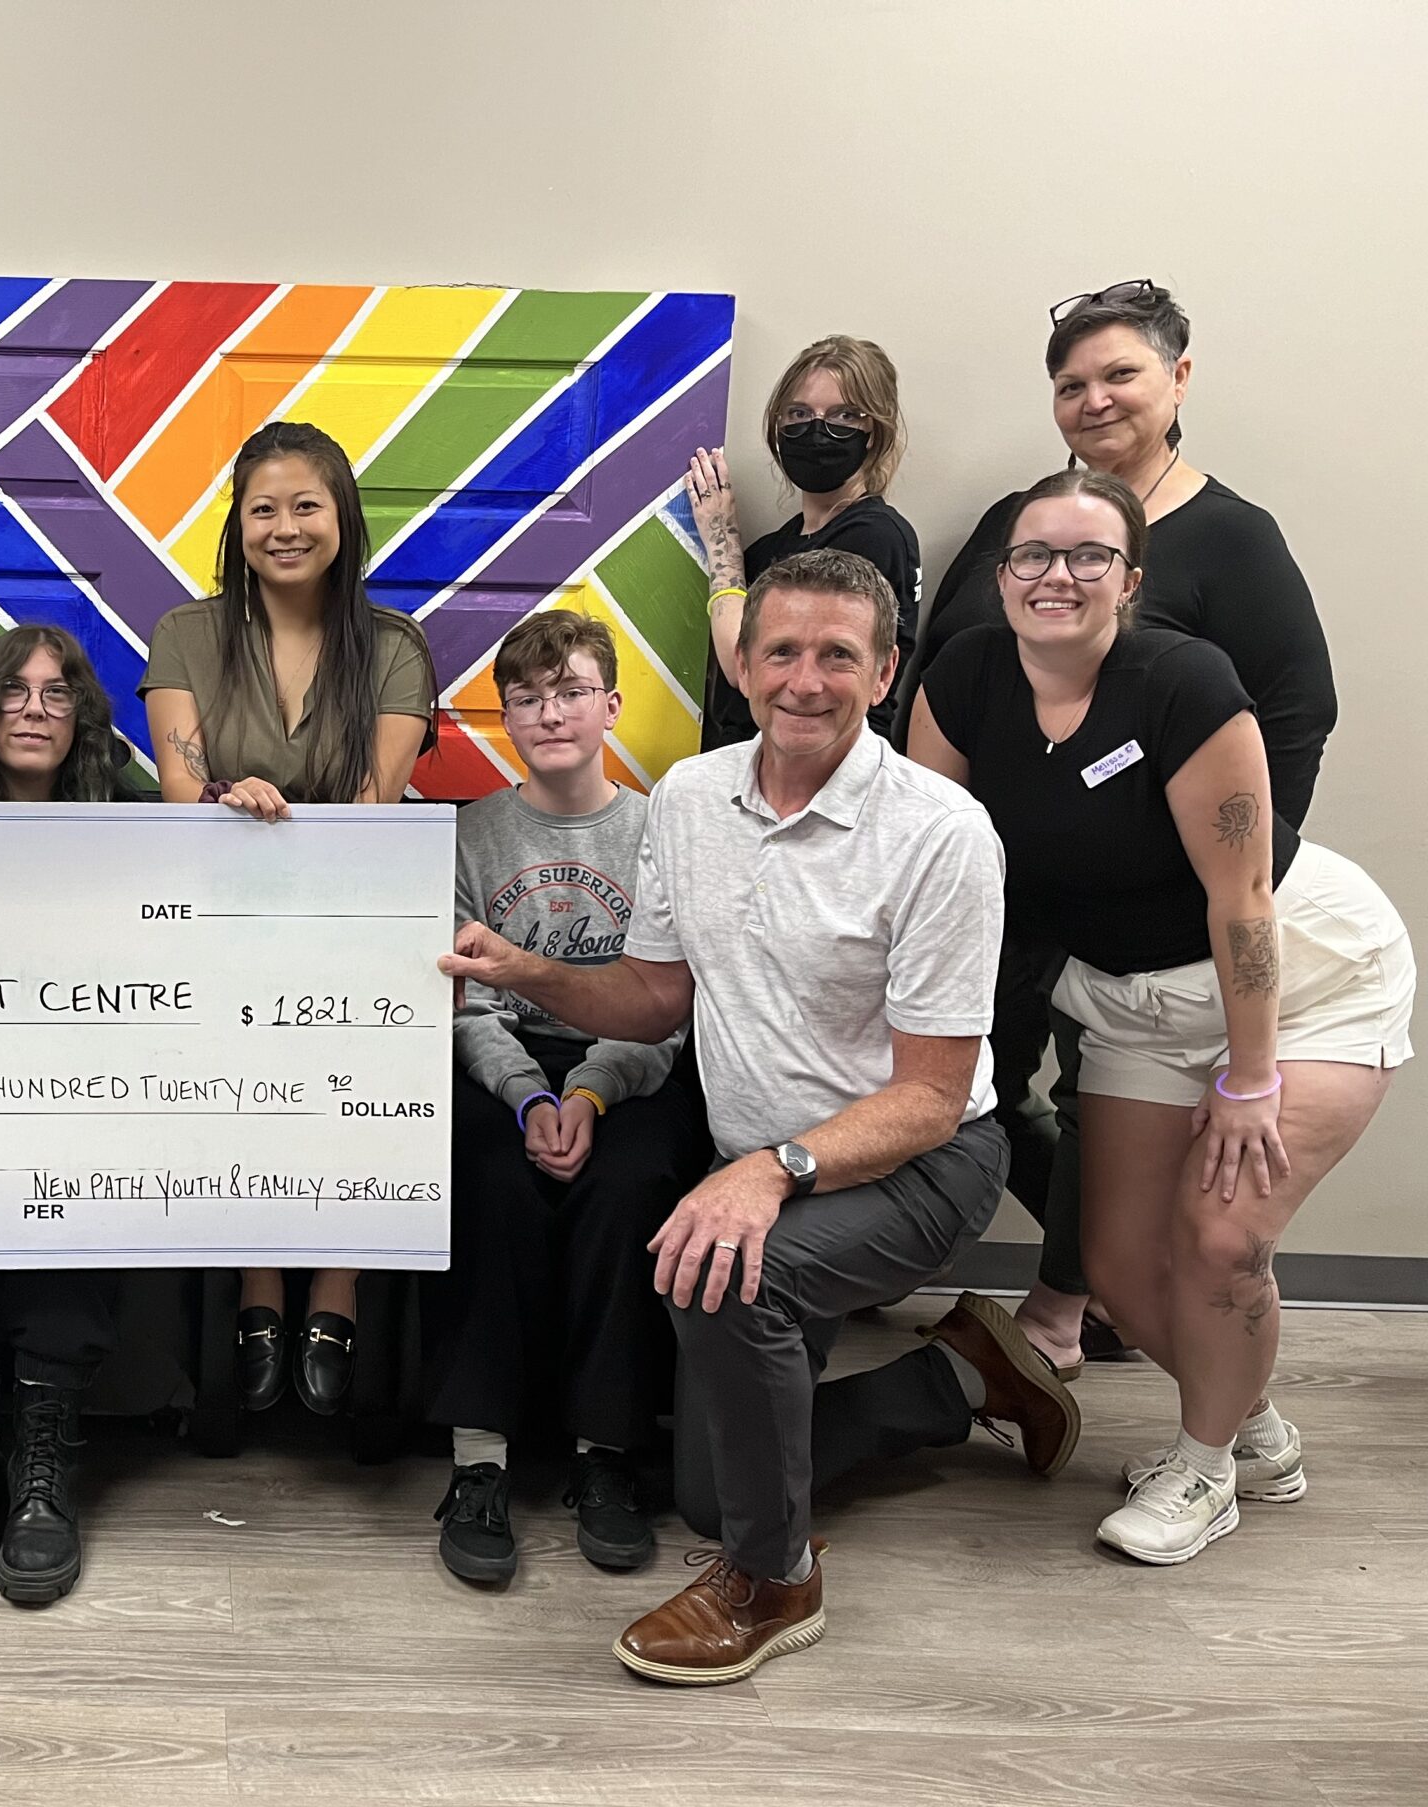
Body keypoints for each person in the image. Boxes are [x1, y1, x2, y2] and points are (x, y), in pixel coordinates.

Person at [442, 548, 1079, 1685]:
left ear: (884, 672)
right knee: (696, 1483)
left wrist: (769, 1172)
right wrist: (526, 969)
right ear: (741, 664)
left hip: (916, 1164)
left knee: (733, 1275)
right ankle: (965, 1375)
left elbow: (933, 1097)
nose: (805, 679)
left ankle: (774, 1582)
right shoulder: (689, 799)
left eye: (839, 655)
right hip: (769, 1164)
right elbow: (650, 997)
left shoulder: (940, 834)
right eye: (780, 649)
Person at [911, 470, 1411, 1563]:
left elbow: (1242, 901)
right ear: (1001, 575)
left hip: (1298, 981)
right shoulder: (963, 678)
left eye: (1089, 556)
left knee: (1222, 1241)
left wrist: (1247, 1078)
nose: (1058, 575)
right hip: (1130, 997)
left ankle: (1203, 1471)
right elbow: (925, 853)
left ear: (1128, 580)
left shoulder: (1182, 682)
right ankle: (1252, 1429)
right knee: (1120, 1273)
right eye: (1033, 554)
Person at [906, 282, 1339, 1377]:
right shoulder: (1028, 518)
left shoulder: (1230, 540)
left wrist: (1222, 873)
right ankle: (1078, 1278)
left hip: (1146, 914)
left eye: (1119, 376)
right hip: (1003, 896)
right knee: (980, 1080)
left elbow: (1292, 713)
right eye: (1069, 385)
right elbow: (943, 675)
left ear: (1178, 380)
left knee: (1109, 1104)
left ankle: (1064, 1301)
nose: (1093, 400)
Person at [140, 421, 435, 1416]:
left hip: (351, 918)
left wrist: (296, 852)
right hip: (219, 917)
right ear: (237, 524)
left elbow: (375, 802)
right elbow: (181, 791)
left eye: (305, 505)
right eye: (262, 507)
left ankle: (337, 1280)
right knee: (236, 1057)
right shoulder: (186, 633)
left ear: (341, 520)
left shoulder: (394, 646)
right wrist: (227, 804)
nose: (284, 526)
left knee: (356, 1061)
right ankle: (261, 1277)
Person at [430, 610, 710, 1585]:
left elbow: (665, 1011)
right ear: (505, 715)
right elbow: (465, 1001)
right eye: (527, 697)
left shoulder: (655, 830)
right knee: (489, 1182)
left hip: (624, 1062)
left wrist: (587, 1095)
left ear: (611, 705)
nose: (549, 712)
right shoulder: (473, 834)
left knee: (628, 1189)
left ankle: (606, 1456)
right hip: (503, 1064)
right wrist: (522, 1097)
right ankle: (478, 1463)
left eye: (570, 691)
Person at [0, 624, 135, 1604]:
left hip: (89, 1089)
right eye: (13, 692)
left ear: (81, 714)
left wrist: (238, 809)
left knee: (76, 1165)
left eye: (56, 693)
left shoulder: (135, 818)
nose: (35, 710)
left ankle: (43, 1453)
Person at [688, 335, 919, 751]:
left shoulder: (875, 535)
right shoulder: (770, 550)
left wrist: (722, 541)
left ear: (874, 431)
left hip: (824, 767)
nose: (816, 431)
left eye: (844, 416)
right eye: (798, 413)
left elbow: (743, 666)